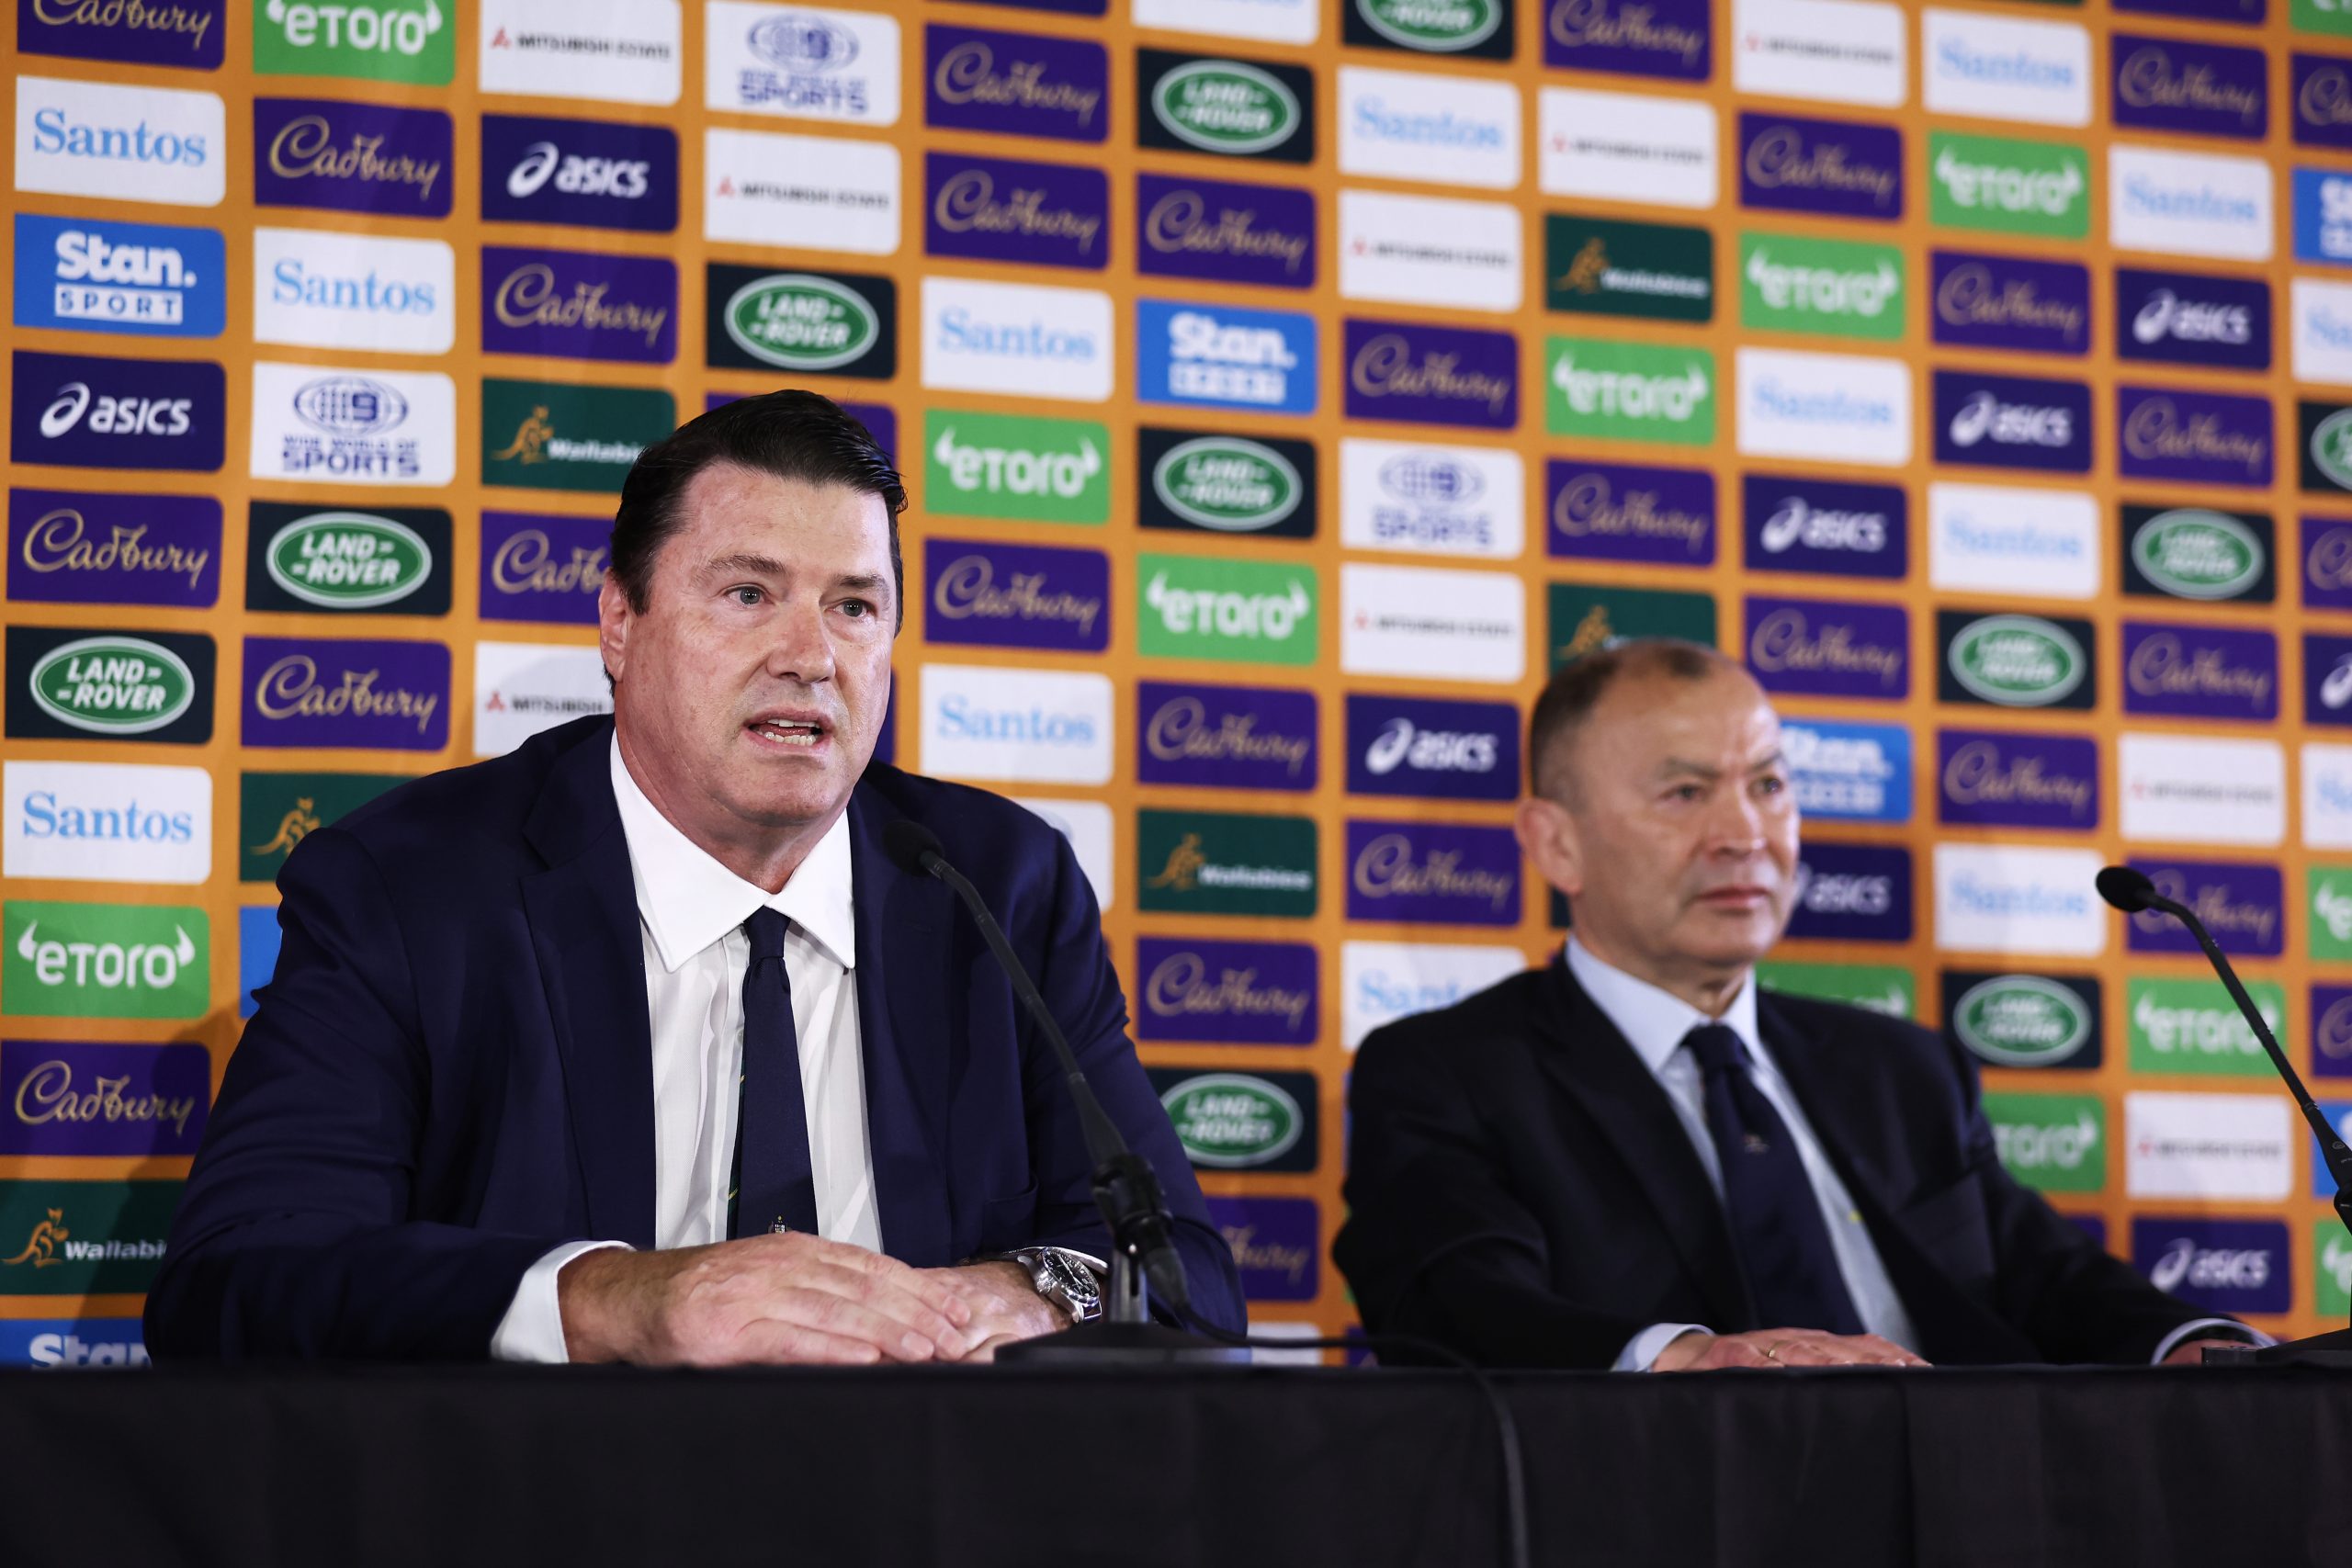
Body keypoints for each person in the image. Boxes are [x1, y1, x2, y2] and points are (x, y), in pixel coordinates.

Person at [149, 390, 1241, 1363]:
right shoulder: (413, 888)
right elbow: (240, 1277)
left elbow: (1185, 1271)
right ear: (621, 624)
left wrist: (1017, 1294)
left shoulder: (994, 886)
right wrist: (614, 1299)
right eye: (749, 594)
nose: (810, 654)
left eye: (854, 606)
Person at [1335, 638, 2256, 1371]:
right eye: (1684, 792)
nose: (1743, 835)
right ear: (1556, 844)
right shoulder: (1449, 1074)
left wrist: (2199, 1345)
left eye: (1767, 785)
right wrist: (1685, 1358)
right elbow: (1459, 1304)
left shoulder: (1900, 1070)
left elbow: (2047, 1279)